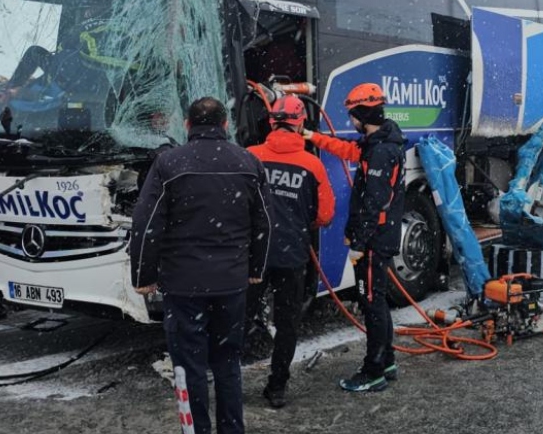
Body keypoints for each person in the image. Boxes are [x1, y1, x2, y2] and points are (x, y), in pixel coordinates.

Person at [129, 97, 271, 434]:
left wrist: (143, 275)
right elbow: (265, 222)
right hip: (232, 284)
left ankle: (195, 430)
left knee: (188, 367)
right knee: (227, 363)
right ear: (225, 126)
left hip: (183, 285)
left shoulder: (168, 163)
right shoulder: (249, 162)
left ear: (187, 125)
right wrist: (256, 269)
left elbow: (146, 223)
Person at [302, 83, 405, 393]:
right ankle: (386, 361)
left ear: (362, 113)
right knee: (378, 300)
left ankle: (373, 371)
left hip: (373, 242)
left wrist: (358, 245)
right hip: (377, 239)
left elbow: (374, 204)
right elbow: (347, 150)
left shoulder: (381, 152)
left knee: (371, 302)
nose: (350, 121)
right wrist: (312, 137)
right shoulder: (377, 143)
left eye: (352, 115)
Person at [246, 95, 335, 408]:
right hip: (292, 256)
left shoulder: (250, 157)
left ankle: (227, 380)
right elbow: (325, 215)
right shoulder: (312, 164)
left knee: (239, 320)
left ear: (272, 122)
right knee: (287, 324)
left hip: (254, 257)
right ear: (300, 125)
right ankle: (277, 387)